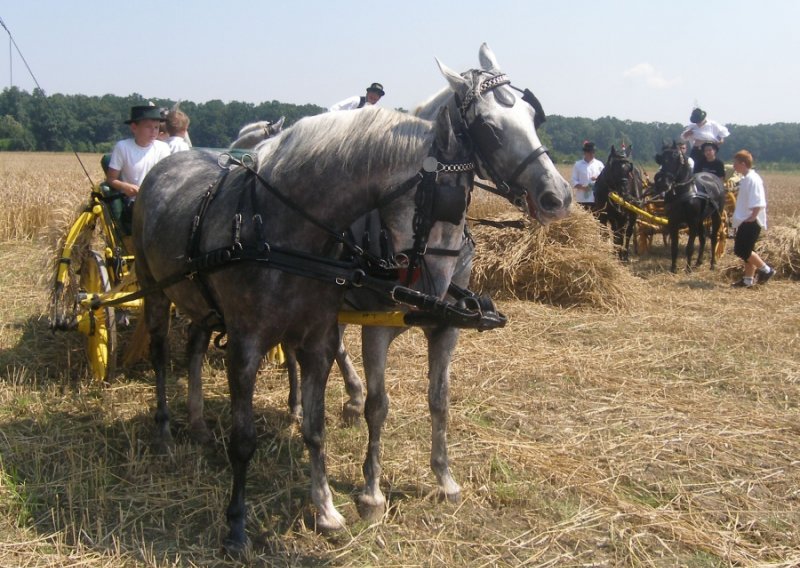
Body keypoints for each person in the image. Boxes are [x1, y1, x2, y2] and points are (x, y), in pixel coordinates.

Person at [106, 105, 171, 232]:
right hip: (135, 202)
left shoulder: (163, 148)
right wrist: (125, 187)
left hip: (159, 199)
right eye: (148, 127)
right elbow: (111, 179)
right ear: (134, 127)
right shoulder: (123, 147)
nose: (153, 131)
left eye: (156, 127)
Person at [730, 149, 774, 287]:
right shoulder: (747, 178)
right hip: (746, 218)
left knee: (742, 250)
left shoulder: (753, 179)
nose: (733, 166)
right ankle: (748, 280)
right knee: (748, 250)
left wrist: (752, 217)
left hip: (750, 220)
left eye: (735, 163)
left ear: (743, 163)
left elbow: (759, 201)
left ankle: (766, 270)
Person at [571, 140, 604, 208]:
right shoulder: (578, 165)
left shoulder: (599, 164)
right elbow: (573, 180)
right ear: (585, 153)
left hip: (596, 198)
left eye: (593, 152)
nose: (592, 154)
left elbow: (605, 179)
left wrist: (598, 178)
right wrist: (583, 187)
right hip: (582, 199)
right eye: (590, 152)